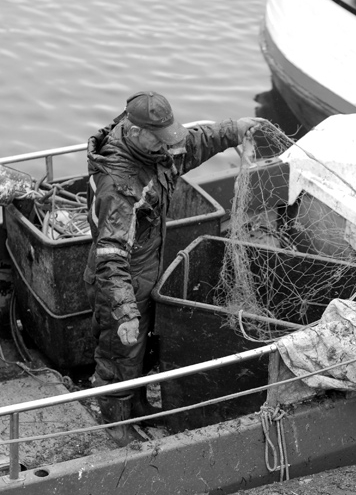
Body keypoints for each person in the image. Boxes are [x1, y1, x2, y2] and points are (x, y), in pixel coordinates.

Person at [85, 90, 265, 445]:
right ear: (136, 132)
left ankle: (135, 403)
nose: (169, 147)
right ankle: (114, 423)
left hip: (148, 267)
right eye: (161, 140)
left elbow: (193, 145)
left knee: (140, 351)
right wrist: (124, 311)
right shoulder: (120, 187)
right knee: (118, 354)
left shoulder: (152, 150)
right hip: (120, 282)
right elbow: (110, 255)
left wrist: (234, 130)